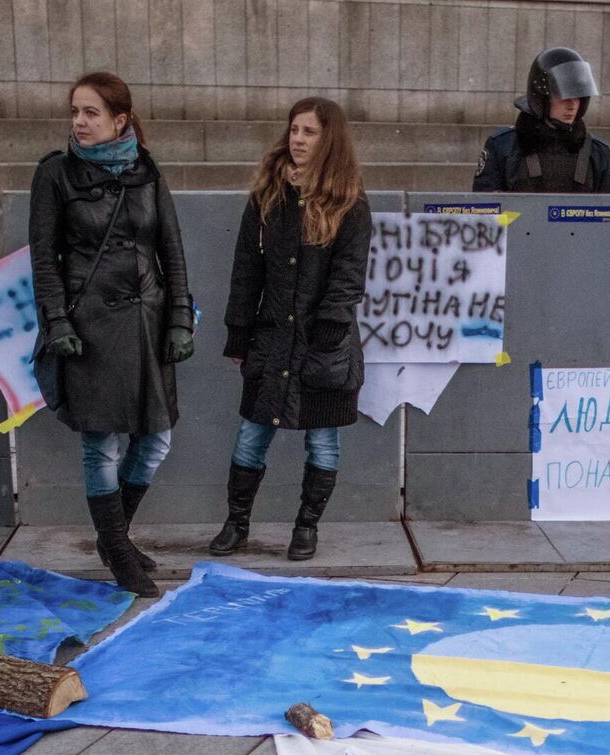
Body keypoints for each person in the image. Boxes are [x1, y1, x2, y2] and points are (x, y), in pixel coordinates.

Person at [29, 70, 193, 598]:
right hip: (90, 328)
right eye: (75, 112)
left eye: (91, 112)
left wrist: (180, 318)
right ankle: (119, 551)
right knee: (100, 444)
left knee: (156, 439)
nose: (79, 122)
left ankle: (112, 536)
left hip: (148, 324)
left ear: (120, 120)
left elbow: (171, 250)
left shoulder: (147, 170)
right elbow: (44, 260)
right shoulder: (55, 174)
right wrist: (57, 322)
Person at [214, 97, 371, 562]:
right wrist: (239, 331)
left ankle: (306, 528)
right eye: (294, 130)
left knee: (322, 439)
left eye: (309, 132)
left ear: (329, 140)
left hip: (325, 345)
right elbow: (246, 270)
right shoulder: (269, 195)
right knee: (251, 434)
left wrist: (328, 332)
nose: (297, 139)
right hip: (271, 340)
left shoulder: (349, 202)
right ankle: (236, 523)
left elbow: (348, 275)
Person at [472, 47, 610, 195]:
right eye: (564, 95)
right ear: (542, 97)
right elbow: (483, 205)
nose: (572, 105)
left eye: (578, 96)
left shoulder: (597, 152)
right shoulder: (503, 147)